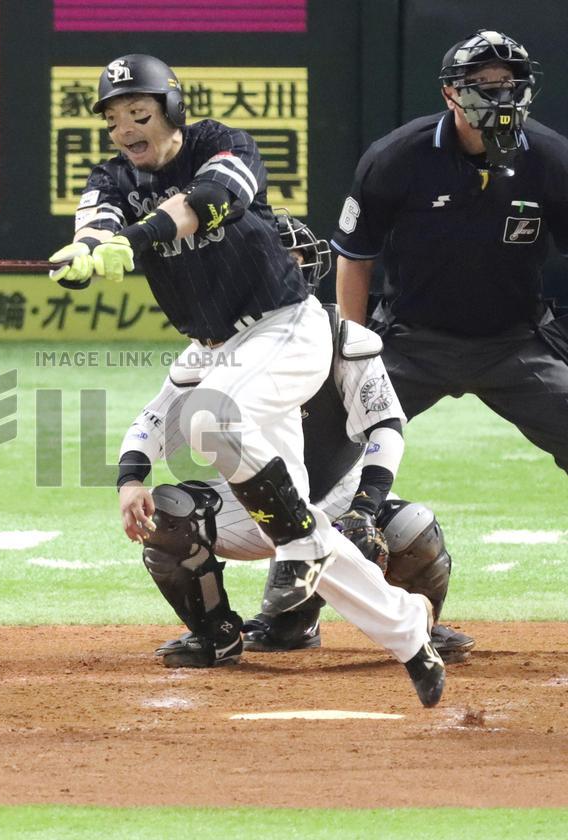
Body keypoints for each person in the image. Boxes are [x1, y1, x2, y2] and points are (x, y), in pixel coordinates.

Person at [51, 53, 444, 706]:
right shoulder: (112, 176)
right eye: (115, 119)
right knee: (281, 516)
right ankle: (406, 630)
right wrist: (88, 249)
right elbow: (96, 217)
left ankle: (299, 543)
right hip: (216, 347)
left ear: (170, 110)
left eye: (139, 114)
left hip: (285, 326)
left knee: (212, 419)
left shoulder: (220, 144)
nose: (125, 129)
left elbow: (216, 198)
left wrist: (139, 236)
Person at [127, 213, 471, 667]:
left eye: (288, 258)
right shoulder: (211, 346)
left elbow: (386, 428)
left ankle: (415, 627)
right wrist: (129, 480)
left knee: (414, 530)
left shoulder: (341, 337)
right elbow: (152, 420)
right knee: (169, 515)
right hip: (247, 509)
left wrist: (365, 509)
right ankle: (215, 635)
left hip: (336, 504)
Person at [334, 30, 568, 480]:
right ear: (450, 93)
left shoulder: (550, 156)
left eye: (510, 80)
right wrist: (354, 352)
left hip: (513, 343)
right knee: (328, 441)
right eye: (484, 81)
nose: (502, 93)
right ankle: (310, 541)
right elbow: (355, 255)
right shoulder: (396, 156)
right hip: (411, 342)